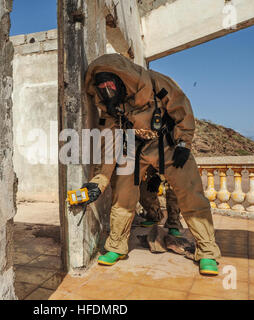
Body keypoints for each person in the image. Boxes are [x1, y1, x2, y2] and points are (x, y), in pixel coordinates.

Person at [80, 53, 221, 276]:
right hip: (134, 148)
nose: (107, 89)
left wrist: (184, 143)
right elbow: (109, 145)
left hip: (169, 145)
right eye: (102, 86)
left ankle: (207, 252)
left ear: (121, 78)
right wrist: (100, 180)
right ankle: (116, 246)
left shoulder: (157, 83)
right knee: (123, 195)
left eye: (109, 83)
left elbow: (182, 108)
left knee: (190, 194)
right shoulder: (109, 108)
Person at [139, 166, 183, 238]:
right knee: (144, 188)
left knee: (173, 190)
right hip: (150, 159)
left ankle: (174, 223)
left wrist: (159, 175)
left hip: (172, 160)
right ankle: (154, 215)